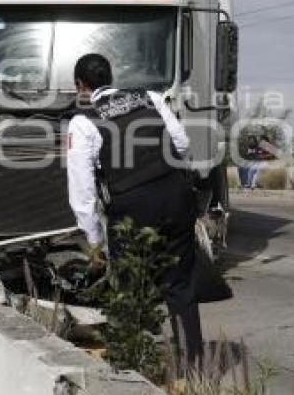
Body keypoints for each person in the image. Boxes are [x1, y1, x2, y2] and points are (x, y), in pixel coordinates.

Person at [66, 53, 204, 364]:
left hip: (132, 206)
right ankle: (194, 367)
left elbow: (82, 190)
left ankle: (133, 367)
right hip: (176, 194)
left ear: (81, 85)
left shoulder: (83, 120)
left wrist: (94, 241)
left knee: (129, 292)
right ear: (109, 78)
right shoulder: (150, 97)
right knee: (179, 284)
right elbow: (181, 143)